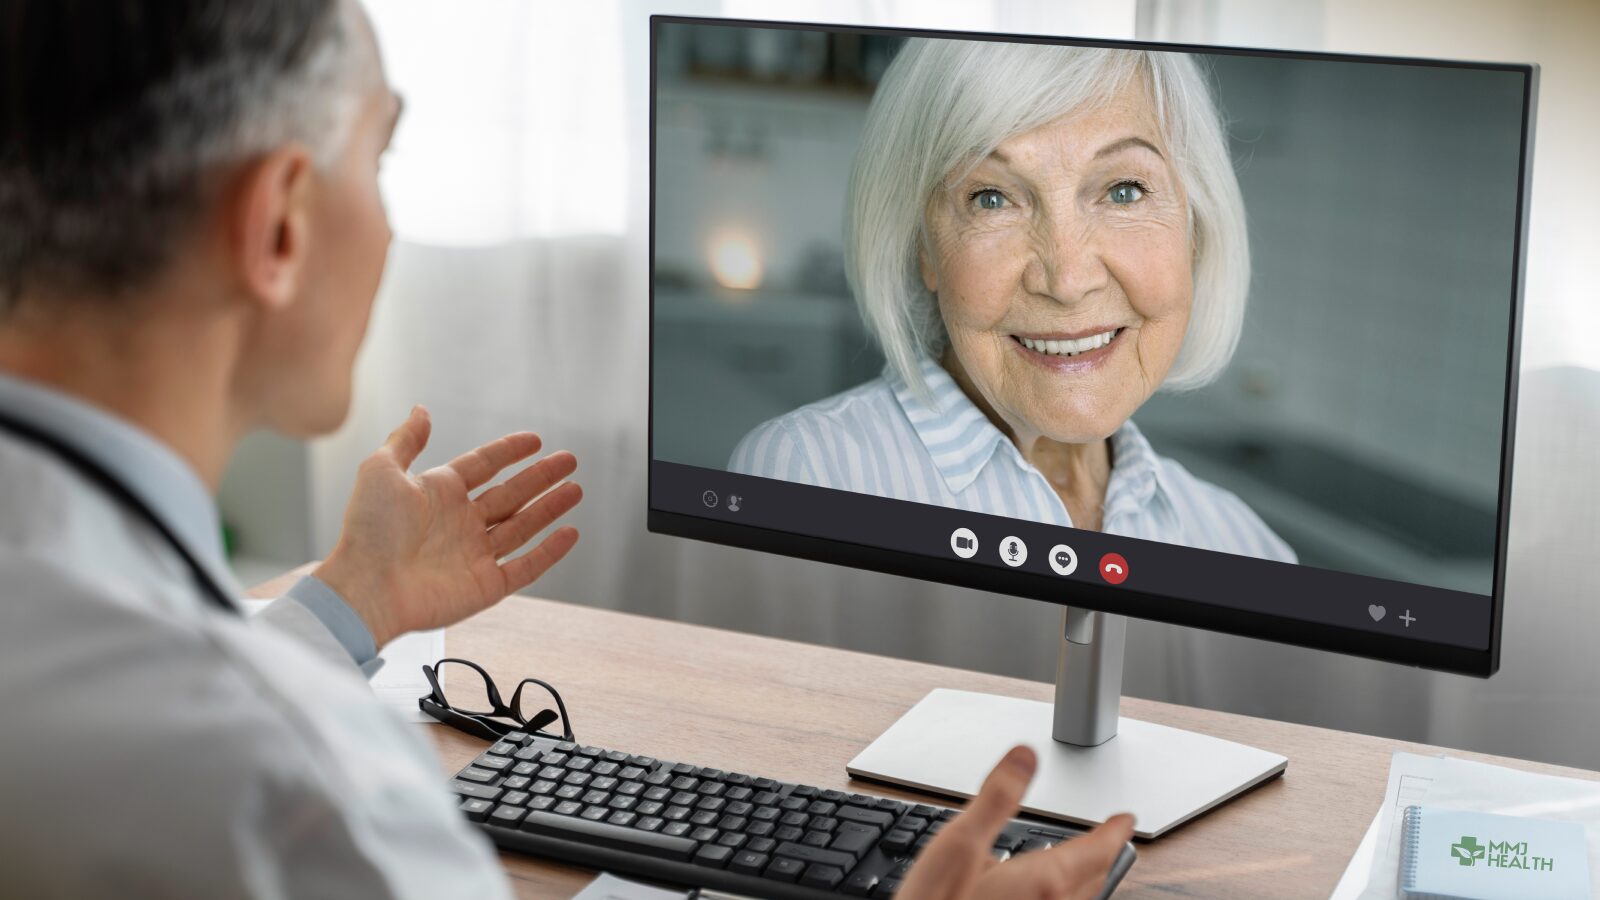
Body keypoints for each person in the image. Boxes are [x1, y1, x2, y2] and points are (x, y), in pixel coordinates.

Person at [0, 2, 1133, 897]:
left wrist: (347, 604)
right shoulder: (312, 802)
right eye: (379, 159)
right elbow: (212, 734)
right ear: (281, 224)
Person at [731, 40, 1294, 564]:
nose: (1067, 280)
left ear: (1194, 231)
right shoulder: (809, 479)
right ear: (924, 246)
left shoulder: (1248, 551)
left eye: (1125, 190)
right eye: (992, 198)